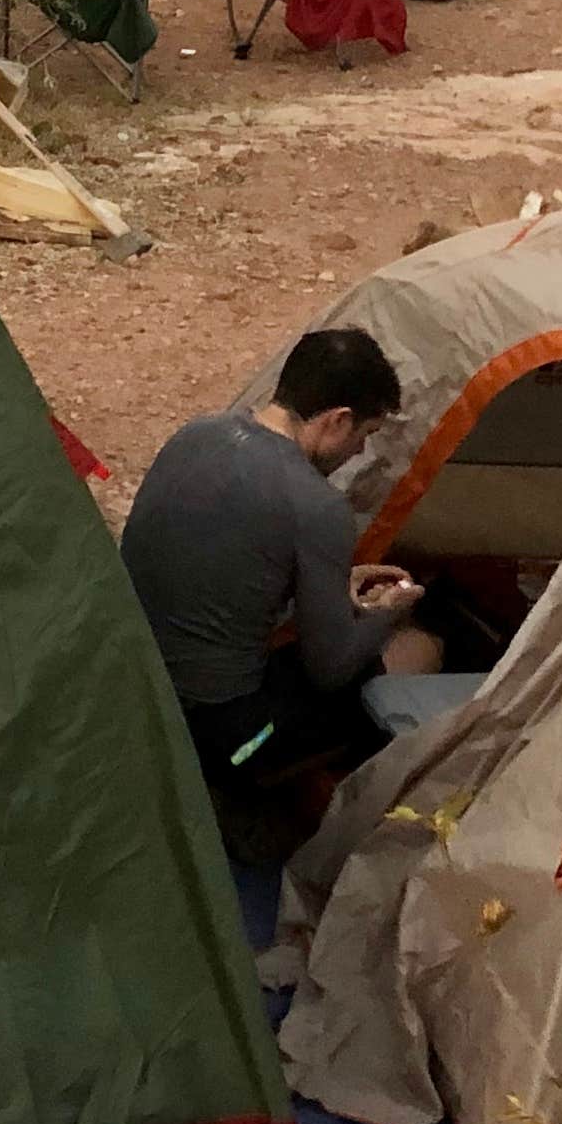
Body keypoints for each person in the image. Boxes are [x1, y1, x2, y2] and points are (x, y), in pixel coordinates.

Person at [120, 327, 441, 845]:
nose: (360, 451)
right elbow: (330, 668)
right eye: (364, 435)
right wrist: (392, 609)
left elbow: (224, 567)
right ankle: (290, 811)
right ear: (338, 420)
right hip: (226, 740)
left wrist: (337, 582)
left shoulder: (193, 437)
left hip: (137, 696)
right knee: (418, 649)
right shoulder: (316, 504)